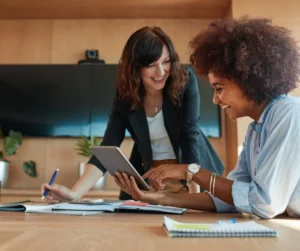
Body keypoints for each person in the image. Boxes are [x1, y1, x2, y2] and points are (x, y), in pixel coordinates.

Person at [114, 17, 300, 219]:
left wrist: (190, 171)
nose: (215, 99)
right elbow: (230, 199)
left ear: (249, 81)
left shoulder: (288, 113)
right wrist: (158, 198)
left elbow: (263, 203)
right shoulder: (256, 130)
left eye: (219, 89)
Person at [41, 26, 224, 202]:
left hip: (192, 176)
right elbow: (108, 147)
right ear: (135, 67)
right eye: (151, 65)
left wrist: (194, 198)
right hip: (151, 181)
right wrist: (74, 194)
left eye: (166, 61)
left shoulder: (184, 81)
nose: (161, 72)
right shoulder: (126, 96)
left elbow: (189, 137)